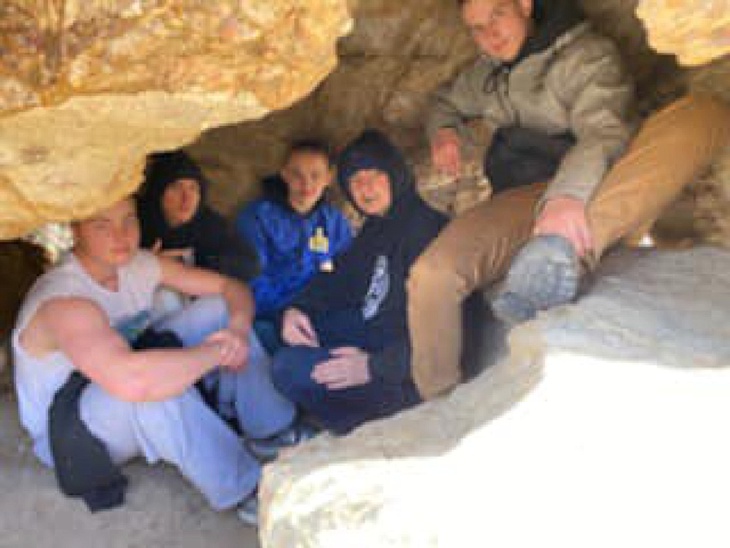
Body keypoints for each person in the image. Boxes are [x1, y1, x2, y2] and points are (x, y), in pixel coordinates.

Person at [409, 0, 730, 399]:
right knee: (431, 275)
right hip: (522, 199)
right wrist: (443, 132)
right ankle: (439, 400)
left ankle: (556, 252)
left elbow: (603, 133)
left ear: (524, 5)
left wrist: (566, 197)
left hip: (600, 187)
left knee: (701, 115)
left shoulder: (585, 55)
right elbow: (444, 102)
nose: (489, 34)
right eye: (476, 28)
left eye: (497, 15)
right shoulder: (485, 75)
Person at [11, 196, 298, 524]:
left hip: (124, 368)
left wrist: (237, 330)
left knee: (218, 310)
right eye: (102, 225)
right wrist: (218, 352)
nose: (121, 235)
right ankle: (248, 489)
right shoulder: (62, 300)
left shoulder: (137, 265)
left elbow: (230, 288)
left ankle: (271, 430)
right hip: (69, 428)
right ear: (75, 230)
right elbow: (134, 382)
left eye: (129, 220)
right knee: (155, 391)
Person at [270, 130, 447, 435]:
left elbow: (443, 332)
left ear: (395, 174)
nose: (365, 189)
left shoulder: (427, 230)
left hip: (404, 373)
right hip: (373, 332)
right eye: (355, 180)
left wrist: (373, 366)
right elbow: (340, 277)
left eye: (374, 175)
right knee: (283, 333)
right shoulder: (378, 226)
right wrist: (298, 308)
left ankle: (360, 427)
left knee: (288, 368)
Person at [236, 140, 353, 352]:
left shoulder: (334, 221)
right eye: (297, 175)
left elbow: (347, 273)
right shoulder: (257, 217)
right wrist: (286, 312)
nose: (306, 184)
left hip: (318, 314)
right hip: (271, 316)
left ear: (329, 178)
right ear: (284, 174)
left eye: (315, 175)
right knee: (260, 335)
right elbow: (252, 279)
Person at [137, 149, 259, 318]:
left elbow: (249, 263)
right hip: (146, 315)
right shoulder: (139, 223)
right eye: (176, 187)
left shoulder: (207, 224)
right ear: (159, 192)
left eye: (193, 188)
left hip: (194, 303)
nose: (186, 198)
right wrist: (145, 263)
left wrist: (200, 265)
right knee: (165, 298)